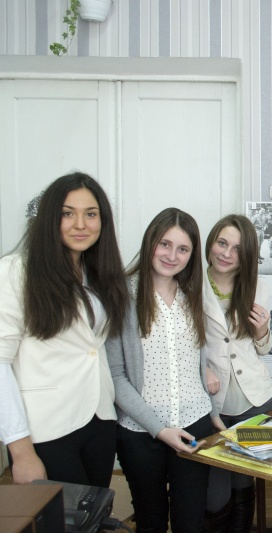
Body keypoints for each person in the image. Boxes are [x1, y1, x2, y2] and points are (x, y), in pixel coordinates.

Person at [0, 172, 128, 486]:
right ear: (48, 218)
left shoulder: (98, 273)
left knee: (96, 509)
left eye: (91, 214)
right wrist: (20, 451)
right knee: (60, 513)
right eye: (67, 213)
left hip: (99, 420)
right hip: (46, 428)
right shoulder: (16, 271)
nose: (80, 224)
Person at [107, 208, 221, 533]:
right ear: (150, 243)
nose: (172, 256)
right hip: (140, 432)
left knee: (191, 522)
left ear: (192, 255)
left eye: (183, 249)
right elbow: (116, 376)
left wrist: (212, 413)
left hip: (195, 424)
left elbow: (194, 361)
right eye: (165, 244)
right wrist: (159, 429)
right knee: (151, 521)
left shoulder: (192, 296)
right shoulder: (121, 296)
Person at [202, 215, 272, 532]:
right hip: (210, 401)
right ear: (211, 242)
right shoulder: (189, 284)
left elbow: (263, 349)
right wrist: (202, 368)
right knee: (214, 490)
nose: (227, 253)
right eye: (222, 243)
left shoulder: (257, 287)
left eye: (237, 249)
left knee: (244, 483)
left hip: (255, 400)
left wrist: (262, 332)